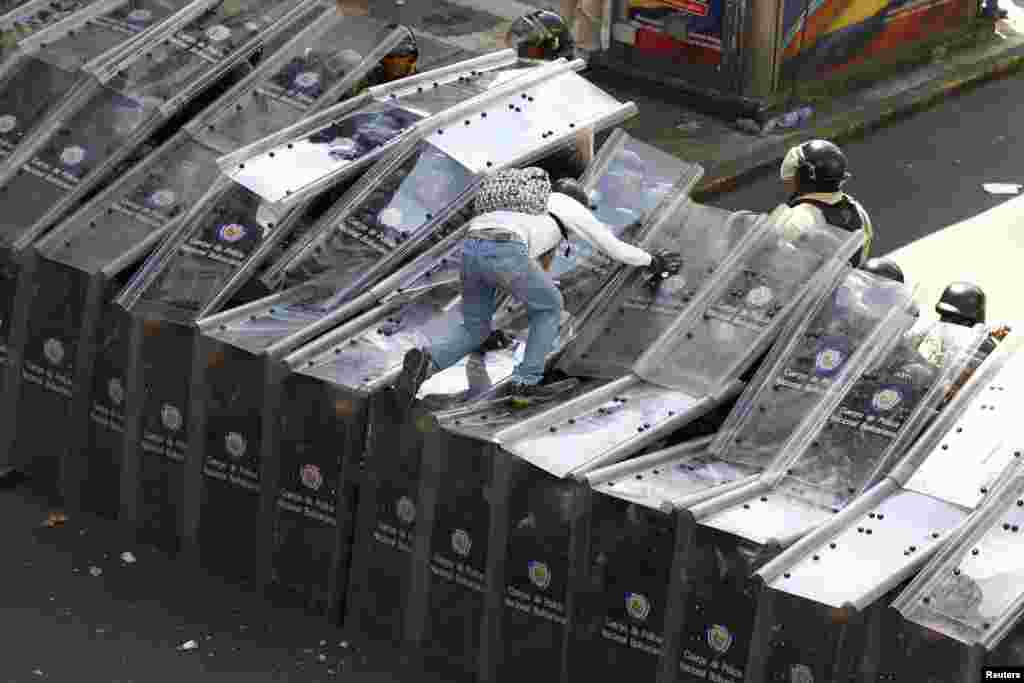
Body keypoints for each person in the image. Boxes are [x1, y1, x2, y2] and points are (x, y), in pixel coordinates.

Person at [394, 167, 681, 404]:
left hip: (471, 247)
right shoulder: (567, 205)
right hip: (505, 247)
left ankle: (427, 363)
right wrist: (653, 261)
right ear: (578, 201)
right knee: (550, 307)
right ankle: (526, 382)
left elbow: (521, 265)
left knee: (475, 327)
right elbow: (614, 249)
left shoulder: (522, 205)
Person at [779, 139, 873, 267]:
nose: (790, 175)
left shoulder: (798, 217)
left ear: (806, 175)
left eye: (795, 170)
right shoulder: (858, 211)